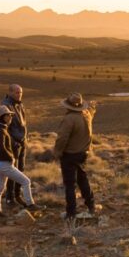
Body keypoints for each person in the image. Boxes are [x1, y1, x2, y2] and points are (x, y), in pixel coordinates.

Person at [54, 92, 99, 224]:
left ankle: (71, 213)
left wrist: (57, 152)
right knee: (82, 179)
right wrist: (93, 106)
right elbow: (91, 111)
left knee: (70, 184)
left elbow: (62, 138)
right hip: (83, 153)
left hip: (70, 154)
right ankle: (91, 205)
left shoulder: (69, 119)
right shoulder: (86, 115)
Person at [0, 104, 36, 218]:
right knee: (26, 181)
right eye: (9, 115)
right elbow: (1, 148)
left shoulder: (0, 129)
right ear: (3, 117)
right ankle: (30, 204)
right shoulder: (0, 131)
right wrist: (11, 157)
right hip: (4, 163)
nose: (11, 117)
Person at [0, 84, 29, 209]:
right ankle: (10, 198)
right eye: (17, 92)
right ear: (10, 92)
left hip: (22, 142)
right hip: (14, 144)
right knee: (13, 171)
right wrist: (12, 142)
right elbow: (4, 128)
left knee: (20, 170)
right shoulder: (5, 106)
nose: (19, 94)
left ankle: (17, 195)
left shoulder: (19, 104)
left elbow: (23, 124)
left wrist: (25, 139)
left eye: (21, 92)